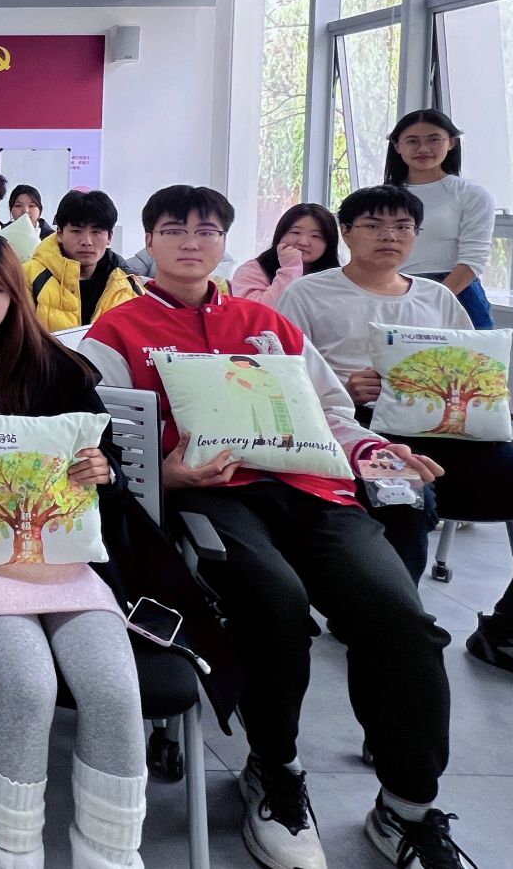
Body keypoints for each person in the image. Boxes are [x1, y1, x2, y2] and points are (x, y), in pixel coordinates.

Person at [78, 185, 474, 869]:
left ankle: (406, 806)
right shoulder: (118, 332)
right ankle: (274, 766)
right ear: (149, 240)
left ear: (225, 241)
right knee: (274, 601)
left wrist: (374, 451)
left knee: (398, 615)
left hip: (315, 491)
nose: (192, 242)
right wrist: (163, 475)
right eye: (174, 229)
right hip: (212, 497)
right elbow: (101, 436)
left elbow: (330, 411)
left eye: (207, 230)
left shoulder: (266, 324)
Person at [0, 230, 233, 869]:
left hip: (67, 559)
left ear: (16, 294)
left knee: (115, 691)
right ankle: (10, 856)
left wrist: (104, 470)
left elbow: (109, 462)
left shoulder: (54, 365)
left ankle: (110, 856)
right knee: (29, 686)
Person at [276, 185, 513, 712]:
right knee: (405, 504)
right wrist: (343, 388)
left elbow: (471, 365)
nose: (389, 236)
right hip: (363, 437)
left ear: (416, 236)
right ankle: (386, 630)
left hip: (459, 441)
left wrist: (489, 395)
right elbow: (287, 382)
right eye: (374, 225)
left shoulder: (436, 298)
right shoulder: (308, 295)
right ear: (347, 233)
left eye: (403, 227)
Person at [385, 109, 498, 329]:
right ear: (397, 146)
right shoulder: (382, 196)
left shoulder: (470, 194)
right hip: (392, 289)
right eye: (412, 141)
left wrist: (432, 300)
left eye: (434, 139)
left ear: (451, 143)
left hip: (456, 291)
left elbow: (473, 260)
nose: (423, 148)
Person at [23, 190, 143, 333]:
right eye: (76, 231)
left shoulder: (127, 283)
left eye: (96, 232)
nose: (86, 241)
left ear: (110, 237)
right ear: (60, 233)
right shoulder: (27, 277)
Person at [230, 203, 339, 307]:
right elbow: (256, 313)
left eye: (315, 236)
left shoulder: (336, 278)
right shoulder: (252, 270)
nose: (303, 242)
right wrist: (290, 269)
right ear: (280, 235)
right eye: (296, 232)